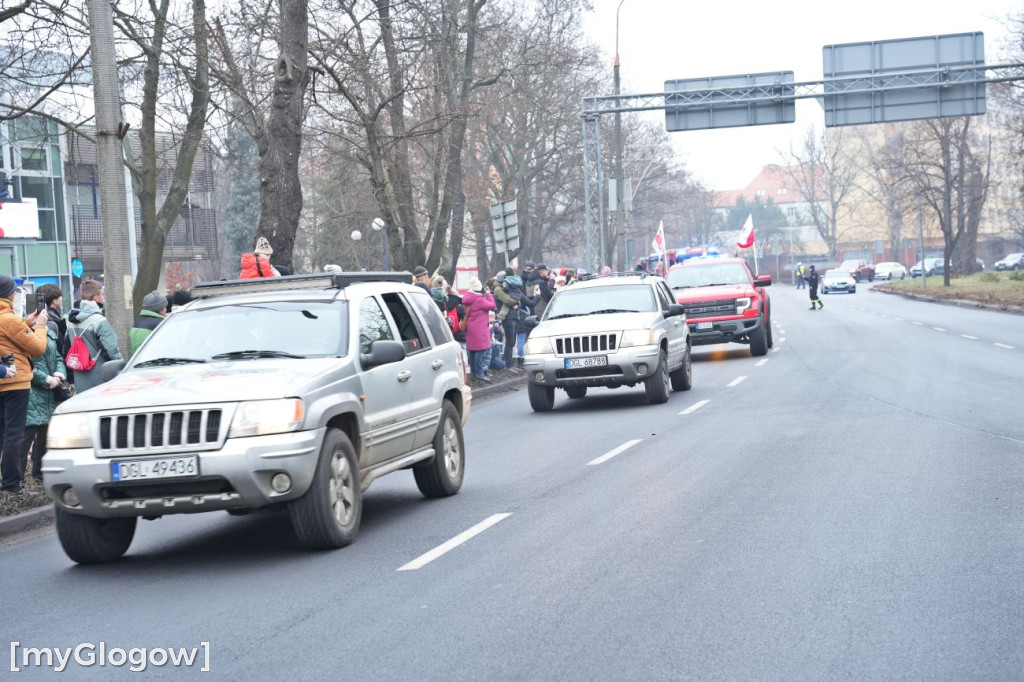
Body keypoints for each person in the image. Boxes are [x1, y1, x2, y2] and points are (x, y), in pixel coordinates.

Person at [0, 274, 48, 494]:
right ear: (9, 293)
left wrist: (26, 323)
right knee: (14, 435)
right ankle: (12, 485)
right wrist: (40, 326)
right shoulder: (7, 318)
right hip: (15, 383)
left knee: (3, 434)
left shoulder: (9, 319)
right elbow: (37, 348)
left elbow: (9, 335)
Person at [22, 317, 66, 484]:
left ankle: (39, 473)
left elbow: (58, 358)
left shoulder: (51, 333)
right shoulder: (25, 334)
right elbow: (26, 366)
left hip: (51, 393)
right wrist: (46, 379)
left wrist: (58, 374)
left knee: (45, 435)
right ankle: (16, 480)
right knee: (26, 436)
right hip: (33, 392)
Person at [66, 279, 123, 394]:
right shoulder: (99, 321)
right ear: (96, 298)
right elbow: (111, 349)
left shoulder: (70, 321)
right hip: (100, 379)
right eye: (102, 295)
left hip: (80, 379)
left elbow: (66, 348)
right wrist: (122, 367)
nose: (103, 298)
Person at [461, 277, 495, 382]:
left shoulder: (466, 297)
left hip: (470, 327)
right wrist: (488, 294)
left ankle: (474, 372)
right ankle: (479, 373)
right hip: (479, 328)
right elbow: (493, 305)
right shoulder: (479, 300)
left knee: (472, 351)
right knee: (481, 351)